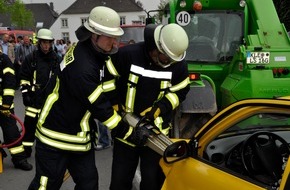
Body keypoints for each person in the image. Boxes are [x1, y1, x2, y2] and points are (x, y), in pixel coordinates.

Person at [28, 6, 146, 190]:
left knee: (89, 184)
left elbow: (105, 83)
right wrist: (128, 132)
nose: (115, 43)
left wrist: (117, 102)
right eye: (110, 37)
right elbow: (100, 107)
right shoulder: (83, 67)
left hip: (79, 138)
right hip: (55, 137)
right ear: (94, 34)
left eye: (116, 38)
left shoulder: (93, 52)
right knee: (46, 185)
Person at [110, 23, 190, 190]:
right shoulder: (127, 55)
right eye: (165, 57)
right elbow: (108, 84)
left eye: (172, 59)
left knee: (153, 184)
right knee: (120, 183)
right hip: (126, 133)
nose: (168, 62)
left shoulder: (178, 65)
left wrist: (158, 109)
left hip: (155, 136)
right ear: (155, 47)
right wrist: (117, 111)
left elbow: (180, 92)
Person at [19, 28, 62, 158]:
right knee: (29, 127)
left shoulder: (57, 59)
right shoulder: (31, 58)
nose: (46, 45)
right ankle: (27, 150)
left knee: (50, 127)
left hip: (50, 100)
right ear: (39, 43)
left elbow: (63, 79)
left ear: (51, 43)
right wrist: (25, 94)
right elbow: (24, 77)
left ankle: (49, 150)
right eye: (43, 42)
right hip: (33, 99)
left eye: (48, 43)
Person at [0, 49, 33, 171]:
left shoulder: (3, 60)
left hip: (4, 107)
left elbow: (9, 82)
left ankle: (19, 160)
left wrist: (6, 104)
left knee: (12, 134)